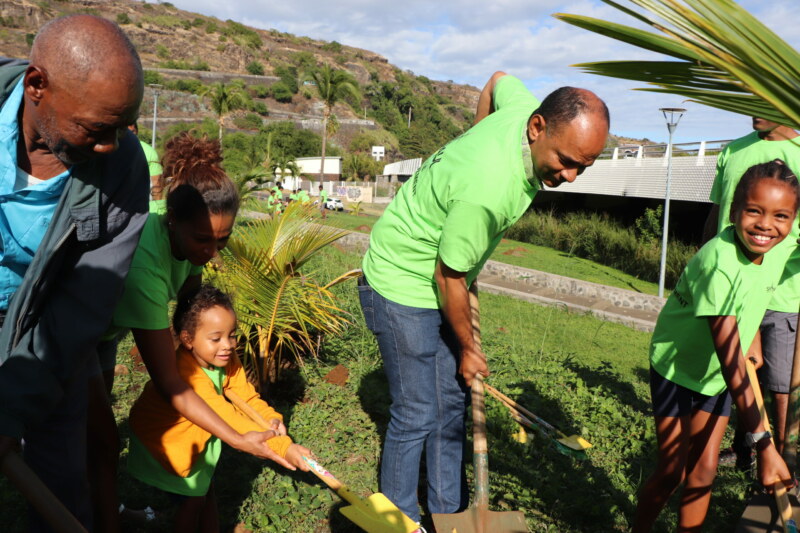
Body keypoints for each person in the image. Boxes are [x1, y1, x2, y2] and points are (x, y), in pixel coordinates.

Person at [358, 71, 609, 522]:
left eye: (583, 167)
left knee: (451, 402)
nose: (570, 176)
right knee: (416, 411)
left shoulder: (521, 111)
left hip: (437, 275)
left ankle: (449, 513)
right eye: (566, 160)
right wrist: (470, 348)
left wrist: (474, 137)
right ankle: (397, 520)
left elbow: (497, 80)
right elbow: (449, 279)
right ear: (538, 128)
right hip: (400, 281)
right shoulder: (489, 188)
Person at [85, 132, 284, 532]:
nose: (211, 253)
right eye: (203, 240)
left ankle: (100, 508)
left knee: (93, 436)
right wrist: (235, 437)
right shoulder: (146, 269)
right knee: (104, 442)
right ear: (173, 221)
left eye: (222, 241)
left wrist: (236, 388)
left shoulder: (188, 226)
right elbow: (171, 384)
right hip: (76, 330)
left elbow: (189, 321)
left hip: (106, 332)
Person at [0, 15, 149, 531]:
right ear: (37, 86)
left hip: (49, 332)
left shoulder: (123, 167)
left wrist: (11, 408)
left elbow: (84, 303)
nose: (110, 144)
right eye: (95, 127)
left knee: (62, 473)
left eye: (123, 125)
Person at [634, 160, 798, 532]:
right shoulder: (718, 262)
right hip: (679, 367)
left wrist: (752, 333)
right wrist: (765, 446)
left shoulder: (778, 249)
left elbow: (753, 299)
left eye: (781, 216)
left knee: (705, 470)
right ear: (734, 210)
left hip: (717, 376)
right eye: (754, 211)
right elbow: (730, 360)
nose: (765, 225)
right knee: (673, 468)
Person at [128, 284, 312, 532]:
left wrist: (270, 419)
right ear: (188, 339)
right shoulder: (187, 374)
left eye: (232, 335)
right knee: (192, 502)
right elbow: (226, 416)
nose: (227, 345)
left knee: (205, 491)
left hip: (196, 435)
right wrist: (284, 448)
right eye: (216, 338)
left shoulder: (226, 359)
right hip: (168, 443)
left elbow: (245, 395)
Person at [703, 117, 800, 467]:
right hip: (732, 291)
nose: (752, 108)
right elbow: (716, 216)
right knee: (738, 374)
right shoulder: (733, 150)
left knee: (781, 385)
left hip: (782, 293)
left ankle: (786, 462)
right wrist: (700, 268)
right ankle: (744, 450)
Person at [128, 121, 163, 200]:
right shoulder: (111, 151)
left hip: (144, 207)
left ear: (136, 132)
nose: (130, 135)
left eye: (132, 132)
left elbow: (156, 183)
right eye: (127, 132)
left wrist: (158, 209)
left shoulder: (149, 152)